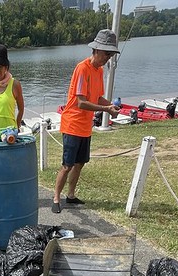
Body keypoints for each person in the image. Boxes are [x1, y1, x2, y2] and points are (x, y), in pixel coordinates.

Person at [52, 30, 121, 214]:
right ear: (96, 50)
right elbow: (81, 102)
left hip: (85, 127)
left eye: (111, 54)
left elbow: (98, 97)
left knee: (80, 163)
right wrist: (106, 109)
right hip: (73, 124)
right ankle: (56, 198)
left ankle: (71, 195)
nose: (108, 58)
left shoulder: (98, 71)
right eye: (106, 53)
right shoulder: (82, 68)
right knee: (67, 165)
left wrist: (111, 105)